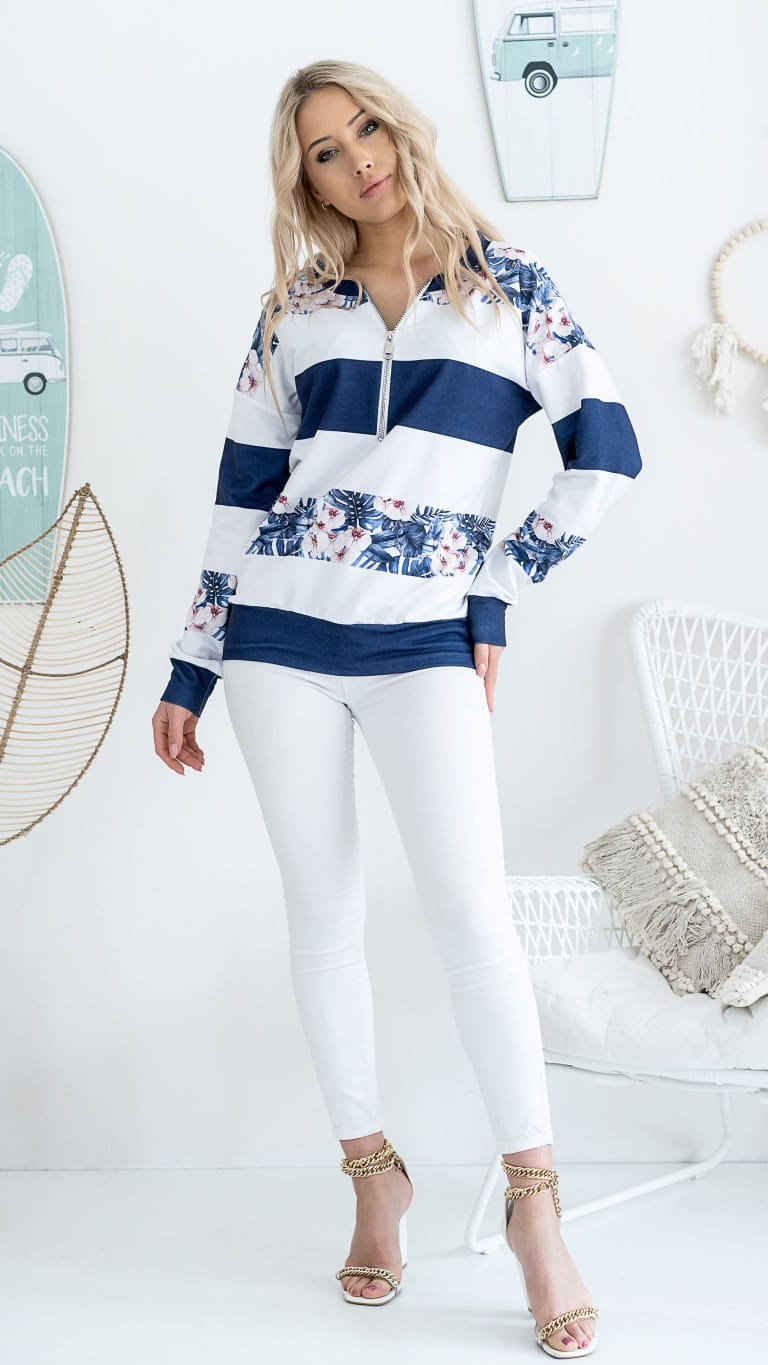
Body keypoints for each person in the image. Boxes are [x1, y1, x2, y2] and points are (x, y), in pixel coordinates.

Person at [151, 59, 642, 1356]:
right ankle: (375, 1179)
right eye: (325, 150)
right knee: (323, 915)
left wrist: (496, 590)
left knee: (472, 915)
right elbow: (241, 495)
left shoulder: (506, 283)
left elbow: (608, 449)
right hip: (277, 638)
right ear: (306, 181)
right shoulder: (292, 311)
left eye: (365, 127)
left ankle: (537, 1208)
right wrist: (192, 667)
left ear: (399, 129)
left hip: (427, 639)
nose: (357, 158)